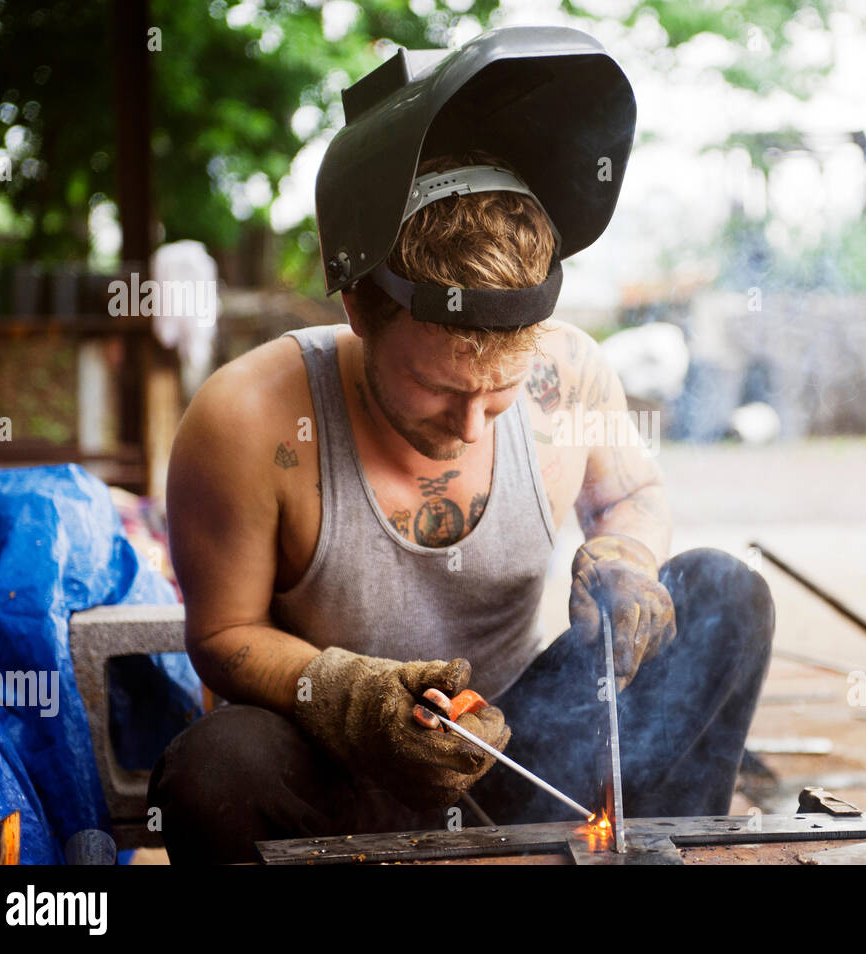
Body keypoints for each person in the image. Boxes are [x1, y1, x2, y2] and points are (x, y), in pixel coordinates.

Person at [148, 28, 774, 864]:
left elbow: (630, 494)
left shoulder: (571, 375)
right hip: (337, 776)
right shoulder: (246, 418)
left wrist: (624, 555)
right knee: (212, 768)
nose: (471, 425)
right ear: (360, 313)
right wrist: (351, 695)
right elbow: (221, 633)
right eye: (441, 390)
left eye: (498, 394)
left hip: (521, 756)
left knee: (724, 596)